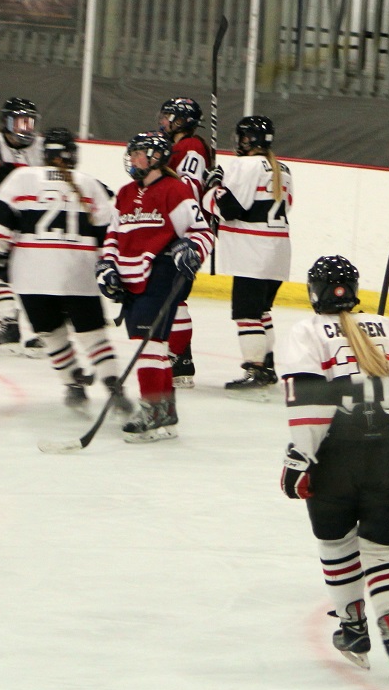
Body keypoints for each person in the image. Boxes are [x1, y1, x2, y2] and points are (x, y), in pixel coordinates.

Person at [278, 255, 389, 673]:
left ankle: (353, 626)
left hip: (336, 456)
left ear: (314, 292)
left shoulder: (305, 331)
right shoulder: (387, 326)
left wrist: (299, 459)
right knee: (384, 548)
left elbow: (309, 402)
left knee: (337, 543)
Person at [0, 128, 124, 410]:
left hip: (31, 278)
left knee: (51, 334)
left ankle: (74, 385)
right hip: (80, 277)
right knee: (92, 335)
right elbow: (109, 237)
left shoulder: (21, 178)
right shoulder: (90, 184)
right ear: (73, 154)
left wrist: (3, 255)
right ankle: (114, 388)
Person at [96, 132, 214, 442]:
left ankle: (150, 409)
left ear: (157, 157)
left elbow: (202, 232)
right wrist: (107, 265)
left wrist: (192, 250)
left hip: (161, 274)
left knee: (147, 344)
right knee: (155, 347)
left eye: (139, 154)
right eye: (132, 154)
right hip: (129, 279)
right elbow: (113, 235)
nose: (133, 159)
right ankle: (165, 412)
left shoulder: (174, 190)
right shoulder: (125, 193)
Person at [201, 115, 292, 397]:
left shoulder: (245, 165)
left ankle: (255, 369)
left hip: (252, 251)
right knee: (261, 312)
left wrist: (213, 188)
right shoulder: (283, 168)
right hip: (277, 251)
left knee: (247, 314)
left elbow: (231, 210)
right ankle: (267, 365)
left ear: (248, 140)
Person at [0, 96, 47, 356]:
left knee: (35, 278)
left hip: (29, 222)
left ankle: (46, 332)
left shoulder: (42, 148)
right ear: (6, 122)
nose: (26, 129)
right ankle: (9, 326)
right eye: (20, 122)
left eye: (30, 122)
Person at [159, 97, 214, 388]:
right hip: (182, 228)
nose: (163, 122)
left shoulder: (190, 147)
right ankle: (181, 359)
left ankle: (178, 359)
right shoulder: (182, 147)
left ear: (182, 121)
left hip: (183, 231)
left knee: (173, 296)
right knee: (170, 294)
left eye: (169, 117)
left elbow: (188, 188)